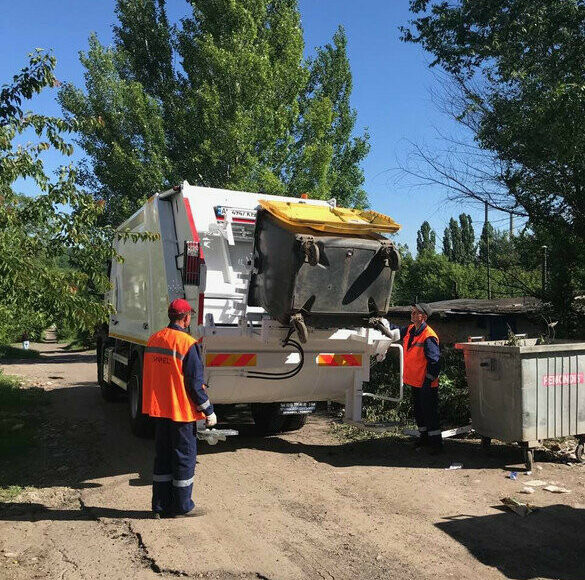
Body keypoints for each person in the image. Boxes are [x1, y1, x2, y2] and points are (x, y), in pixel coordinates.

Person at [142, 298, 217, 518]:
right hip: (181, 412)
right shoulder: (187, 343)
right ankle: (182, 507)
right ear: (186, 318)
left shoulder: (154, 339)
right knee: (184, 458)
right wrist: (208, 411)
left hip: (160, 410)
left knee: (162, 457)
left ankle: (160, 506)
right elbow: (194, 384)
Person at [391, 303, 442, 452]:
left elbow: (435, 361)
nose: (412, 314)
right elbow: (396, 331)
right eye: (412, 312)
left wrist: (428, 380)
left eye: (416, 313)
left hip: (426, 383)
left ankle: (436, 445)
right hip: (415, 381)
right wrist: (383, 323)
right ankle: (424, 439)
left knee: (430, 414)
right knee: (420, 412)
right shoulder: (411, 329)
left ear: (424, 317)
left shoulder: (429, 335)